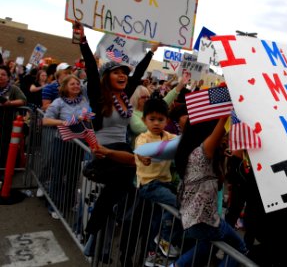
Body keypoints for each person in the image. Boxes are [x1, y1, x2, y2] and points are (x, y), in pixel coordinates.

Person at [75, 21, 159, 261]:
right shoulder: (97, 95)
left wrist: (152, 50)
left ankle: (97, 223)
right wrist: (82, 39)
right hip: (103, 150)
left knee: (126, 179)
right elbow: (91, 67)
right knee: (132, 169)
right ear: (106, 76)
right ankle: (99, 222)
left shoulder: (124, 96)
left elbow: (139, 72)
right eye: (117, 71)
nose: (123, 75)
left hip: (120, 149)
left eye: (125, 72)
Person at [173, 117, 247, 267]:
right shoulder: (201, 154)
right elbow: (219, 129)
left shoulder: (190, 152)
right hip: (206, 222)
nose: (224, 138)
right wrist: (226, 113)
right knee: (240, 250)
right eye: (221, 136)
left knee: (207, 245)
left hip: (193, 220)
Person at [134, 96, 182, 265]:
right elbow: (140, 151)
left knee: (156, 222)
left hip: (166, 185)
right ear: (144, 120)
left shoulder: (169, 136)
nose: (156, 123)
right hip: (150, 185)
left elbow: (182, 141)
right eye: (152, 119)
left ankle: (152, 252)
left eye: (160, 120)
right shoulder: (143, 138)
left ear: (166, 121)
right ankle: (165, 238)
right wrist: (144, 157)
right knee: (179, 204)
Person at [42, 75, 91, 219]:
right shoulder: (58, 102)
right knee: (58, 174)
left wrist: (87, 118)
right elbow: (45, 120)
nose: (76, 86)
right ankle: (54, 205)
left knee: (73, 176)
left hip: (79, 145)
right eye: (72, 84)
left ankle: (68, 203)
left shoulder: (83, 101)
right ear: (65, 87)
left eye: (77, 83)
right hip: (62, 143)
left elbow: (89, 117)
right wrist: (62, 123)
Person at [0, 65, 27, 170]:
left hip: (7, 124)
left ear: (8, 77)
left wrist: (9, 103)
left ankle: (4, 169)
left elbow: (23, 100)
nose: (1, 77)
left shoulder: (13, 89)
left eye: (3, 74)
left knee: (5, 147)